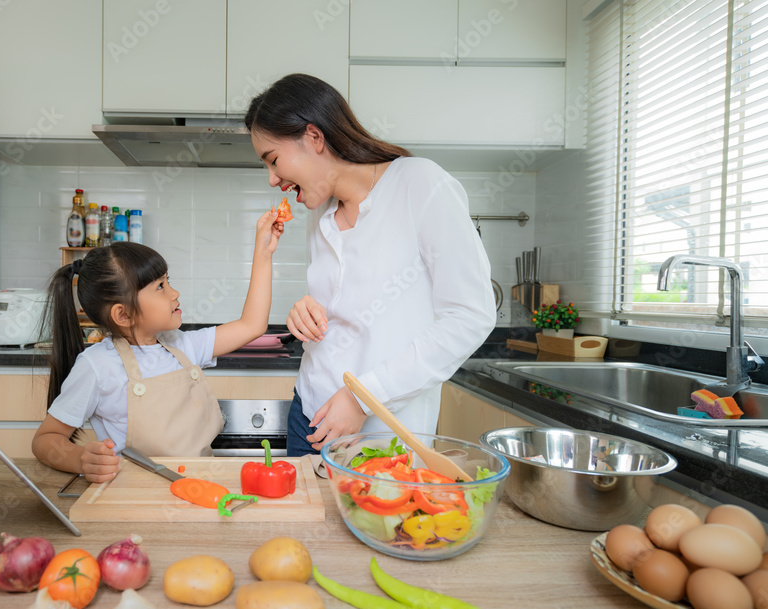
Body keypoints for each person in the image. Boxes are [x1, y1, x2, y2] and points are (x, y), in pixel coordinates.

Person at [244, 73, 497, 457]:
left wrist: (365, 398)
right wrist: (305, 310)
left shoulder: (421, 185)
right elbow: (347, 308)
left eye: (274, 160)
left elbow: (470, 316)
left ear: (314, 137)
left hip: (385, 434)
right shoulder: (321, 212)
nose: (272, 179)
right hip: (310, 413)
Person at [32, 212, 283, 483]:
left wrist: (264, 252)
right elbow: (45, 440)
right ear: (124, 315)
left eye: (168, 281)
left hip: (201, 488)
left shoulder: (182, 346)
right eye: (160, 286)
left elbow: (252, 325)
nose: (174, 293)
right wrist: (80, 458)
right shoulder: (97, 366)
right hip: (136, 498)